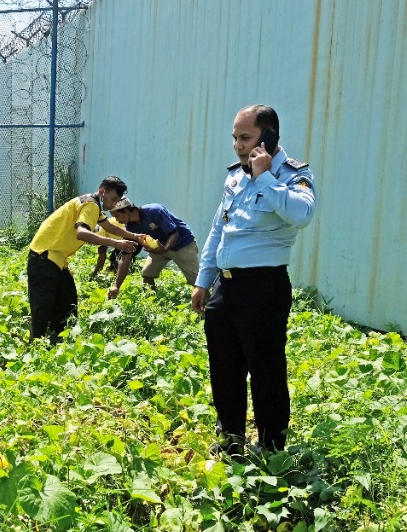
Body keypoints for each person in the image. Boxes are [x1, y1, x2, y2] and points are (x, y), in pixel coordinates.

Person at [190, 105, 316, 453]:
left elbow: (302, 215)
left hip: (264, 288)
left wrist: (265, 178)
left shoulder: (293, 175)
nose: (238, 145)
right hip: (226, 286)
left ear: (269, 136)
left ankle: (271, 447)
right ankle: (231, 436)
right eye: (235, 138)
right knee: (224, 366)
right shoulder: (235, 177)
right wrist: (204, 280)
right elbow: (219, 229)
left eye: (245, 137)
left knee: (265, 370)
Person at [27, 176, 138, 341]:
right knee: (43, 306)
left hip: (55, 258)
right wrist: (117, 243)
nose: (114, 204)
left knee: (67, 303)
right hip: (44, 256)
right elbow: (82, 233)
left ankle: (59, 340)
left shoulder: (93, 206)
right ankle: (36, 345)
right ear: (102, 191)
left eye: (117, 200)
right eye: (113, 199)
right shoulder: (91, 205)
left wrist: (135, 236)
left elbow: (109, 227)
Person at [104, 198, 200, 299]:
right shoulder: (130, 227)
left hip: (182, 245)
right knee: (147, 275)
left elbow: (174, 234)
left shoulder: (154, 211)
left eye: (117, 216)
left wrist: (164, 249)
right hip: (159, 249)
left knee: (197, 282)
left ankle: (206, 305)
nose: (117, 220)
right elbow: (126, 257)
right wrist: (116, 286)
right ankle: (153, 301)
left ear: (126, 210)